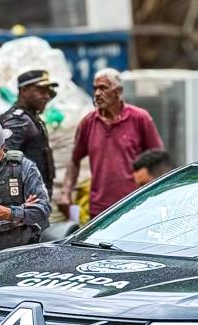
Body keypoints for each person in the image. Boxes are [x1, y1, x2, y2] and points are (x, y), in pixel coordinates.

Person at [59, 68, 163, 219]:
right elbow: (74, 161)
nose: (97, 94)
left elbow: (158, 159)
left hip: (135, 205)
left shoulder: (140, 118)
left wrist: (156, 196)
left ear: (118, 92)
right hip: (100, 211)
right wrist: (65, 192)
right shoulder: (88, 123)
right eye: (95, 89)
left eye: (103, 88)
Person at [0, 120, 50, 252]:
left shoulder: (23, 167)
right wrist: (22, 212)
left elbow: (41, 210)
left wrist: (9, 213)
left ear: (2, 147)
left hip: (21, 248)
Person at [1, 69, 57, 194]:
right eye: (41, 91)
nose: (47, 96)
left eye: (48, 92)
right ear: (24, 91)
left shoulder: (31, 117)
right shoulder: (18, 120)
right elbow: (4, 161)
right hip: (27, 197)